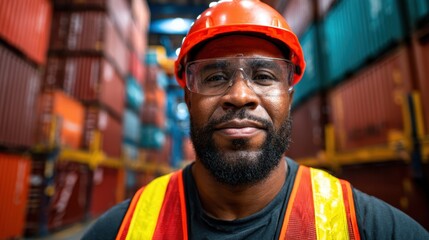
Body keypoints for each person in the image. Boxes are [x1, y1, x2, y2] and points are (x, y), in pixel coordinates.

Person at [83, 0, 429, 239]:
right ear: (188, 96)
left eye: (263, 76)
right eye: (216, 77)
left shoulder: (371, 228)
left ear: (289, 96)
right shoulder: (121, 231)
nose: (240, 95)